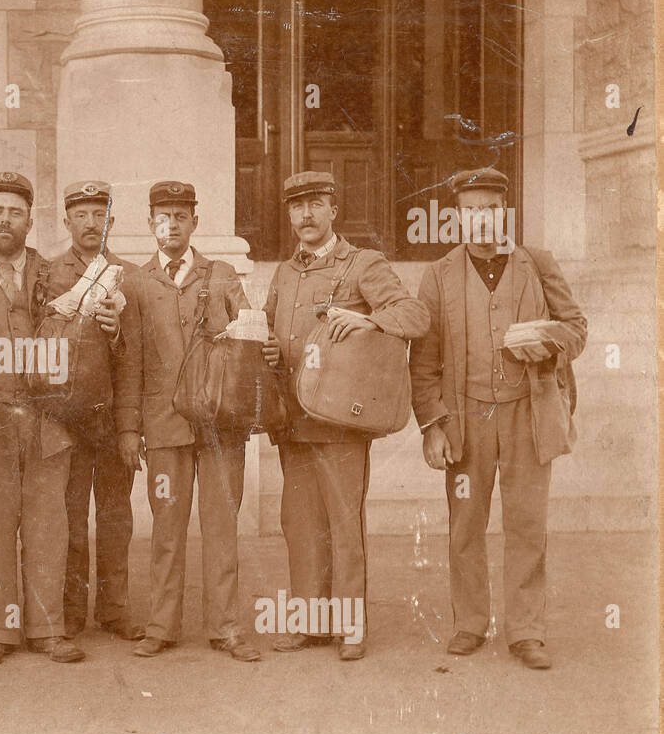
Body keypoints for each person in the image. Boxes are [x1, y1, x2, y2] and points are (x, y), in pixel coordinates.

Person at [409, 167, 587, 670]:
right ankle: (469, 623)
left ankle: (526, 631)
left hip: (528, 414)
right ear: (457, 217)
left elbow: (576, 327)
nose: (481, 219)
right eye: (470, 210)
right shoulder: (440, 274)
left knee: (528, 524)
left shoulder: (536, 263)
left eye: (490, 209)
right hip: (467, 417)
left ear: (503, 213)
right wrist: (433, 424)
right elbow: (422, 361)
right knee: (465, 524)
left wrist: (548, 343)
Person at [263, 171, 430, 660]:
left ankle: (349, 626)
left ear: (334, 210)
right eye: (297, 207)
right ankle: (311, 622)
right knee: (299, 523)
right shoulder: (284, 273)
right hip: (293, 419)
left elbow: (415, 316)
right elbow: (273, 332)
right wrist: (270, 348)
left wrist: (370, 318)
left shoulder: (363, 264)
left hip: (341, 422)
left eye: (316, 204)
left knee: (342, 523)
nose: (307, 215)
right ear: (290, 214)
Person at [116, 181, 260, 661]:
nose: (172, 224)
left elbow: (248, 345)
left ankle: (226, 627)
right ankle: (162, 625)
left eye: (181, 216)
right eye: (163, 216)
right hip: (162, 426)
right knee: (166, 529)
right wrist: (129, 427)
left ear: (195, 222)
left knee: (221, 528)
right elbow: (130, 361)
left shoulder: (221, 276)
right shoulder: (135, 283)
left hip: (219, 426)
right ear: (150, 222)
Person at [0, 172, 85, 667]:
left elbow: (80, 341)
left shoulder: (54, 274)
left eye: (15, 212)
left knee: (47, 525)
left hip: (46, 419)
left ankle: (49, 629)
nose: (5, 220)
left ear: (30, 221)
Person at [44, 180, 142, 640]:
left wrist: (117, 331)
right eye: (80, 214)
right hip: (66, 417)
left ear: (111, 222)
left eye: (98, 214)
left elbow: (137, 360)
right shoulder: (48, 274)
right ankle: (70, 610)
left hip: (110, 419)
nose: (89, 223)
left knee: (116, 516)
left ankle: (115, 608)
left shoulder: (128, 274)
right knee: (70, 517)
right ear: (66, 221)